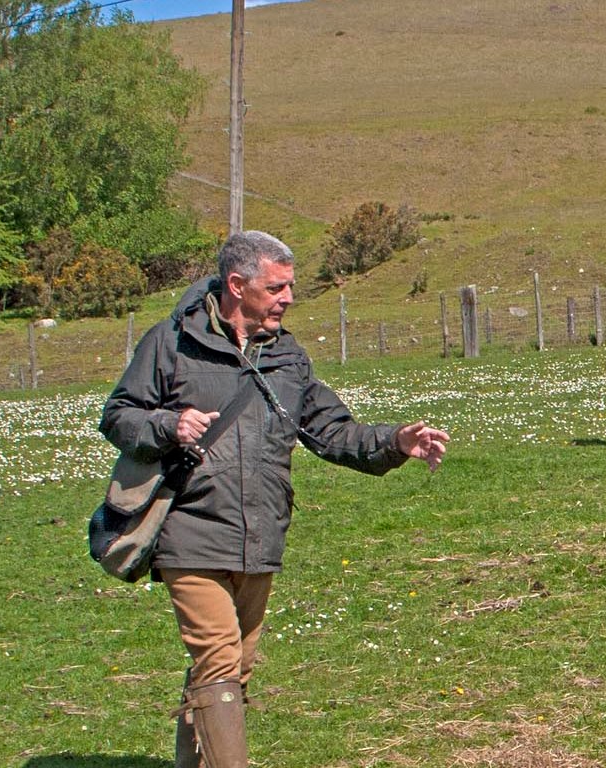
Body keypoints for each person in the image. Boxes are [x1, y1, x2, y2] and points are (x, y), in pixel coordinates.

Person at [100, 231, 449, 768]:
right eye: (277, 287)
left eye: (290, 286)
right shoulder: (171, 343)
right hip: (191, 531)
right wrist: (169, 425)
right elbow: (119, 416)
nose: (288, 298)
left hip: (262, 534)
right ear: (237, 285)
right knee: (219, 661)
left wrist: (395, 442)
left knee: (231, 670)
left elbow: (331, 431)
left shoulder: (287, 355)